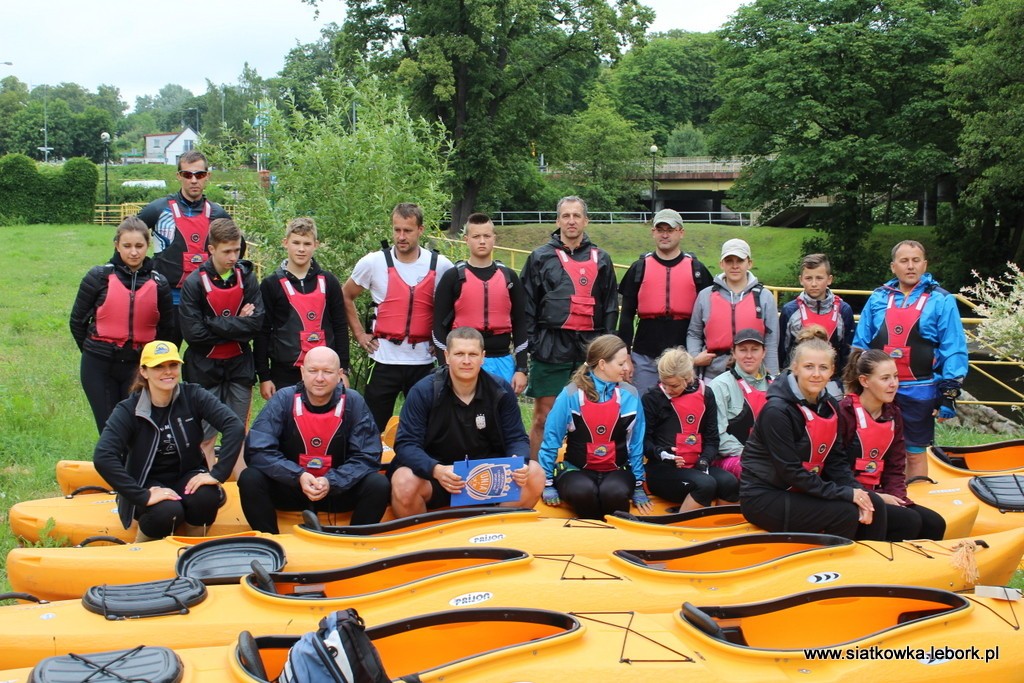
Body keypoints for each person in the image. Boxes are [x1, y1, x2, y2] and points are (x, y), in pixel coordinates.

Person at [739, 332, 887, 540]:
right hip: (764, 496)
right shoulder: (777, 411)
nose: (816, 374)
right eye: (809, 367)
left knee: (874, 503)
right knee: (845, 513)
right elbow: (790, 472)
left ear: (832, 371)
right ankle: (833, 559)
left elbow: (836, 461)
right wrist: (846, 494)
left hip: (801, 489)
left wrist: (857, 492)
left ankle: (870, 555)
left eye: (823, 368)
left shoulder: (830, 405)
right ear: (795, 368)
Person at [93, 341, 244, 541]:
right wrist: (142, 495)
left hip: (186, 476)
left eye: (173, 365)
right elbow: (103, 456)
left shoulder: (193, 395)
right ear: (144, 372)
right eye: (158, 367)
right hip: (145, 482)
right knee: (168, 511)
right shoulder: (128, 410)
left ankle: (192, 549)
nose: (167, 372)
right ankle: (140, 551)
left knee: (207, 496)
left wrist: (218, 473)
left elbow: (234, 425)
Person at [390, 327, 544, 517]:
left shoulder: (501, 390)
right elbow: (406, 444)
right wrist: (436, 470)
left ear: (483, 357)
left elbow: (517, 438)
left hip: (489, 478)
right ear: (447, 356)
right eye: (459, 354)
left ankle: (494, 530)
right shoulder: (423, 391)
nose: (466, 361)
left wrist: (518, 460)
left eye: (473, 354)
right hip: (439, 476)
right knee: (403, 480)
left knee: (534, 473)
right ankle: (425, 535)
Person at [239, 347, 390, 532]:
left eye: (327, 372)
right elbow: (257, 450)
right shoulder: (283, 399)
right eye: (313, 371)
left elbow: (368, 455)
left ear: (339, 375)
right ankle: (271, 540)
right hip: (291, 485)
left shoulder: (354, 402)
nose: (319, 378)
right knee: (250, 478)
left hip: (338, 489)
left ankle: (355, 539)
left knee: (378, 484)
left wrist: (332, 481)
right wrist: (298, 476)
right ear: (302, 372)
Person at [852, 240, 968, 480]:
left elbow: (953, 348)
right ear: (893, 266)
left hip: (920, 390)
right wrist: (854, 384)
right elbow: (860, 345)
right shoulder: (878, 297)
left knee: (914, 454)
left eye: (916, 260)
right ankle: (877, 496)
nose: (910, 266)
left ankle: (915, 499)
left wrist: (949, 394)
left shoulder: (941, 299)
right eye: (904, 261)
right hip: (878, 390)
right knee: (875, 449)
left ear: (925, 264)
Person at [520, 196, 618, 459]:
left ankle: (581, 471)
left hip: (590, 350)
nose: (571, 221)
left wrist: (608, 350)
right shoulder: (540, 257)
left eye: (576, 215)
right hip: (550, 347)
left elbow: (610, 307)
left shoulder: (602, 259)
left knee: (590, 416)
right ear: (558, 220)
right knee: (544, 417)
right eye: (566, 215)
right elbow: (526, 306)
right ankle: (537, 472)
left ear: (586, 220)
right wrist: (533, 344)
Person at [343, 203, 454, 431]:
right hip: (383, 359)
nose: (401, 237)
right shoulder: (373, 262)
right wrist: (360, 334)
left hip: (423, 361)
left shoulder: (440, 265)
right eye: (397, 230)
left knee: (425, 426)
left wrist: (443, 341)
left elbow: (456, 305)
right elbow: (345, 295)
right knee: (372, 427)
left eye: (408, 231)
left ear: (420, 230)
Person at [70, 217, 175, 433]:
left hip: (138, 367)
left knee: (137, 429)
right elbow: (77, 321)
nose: (133, 252)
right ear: (117, 245)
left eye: (139, 246)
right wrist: (93, 351)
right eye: (127, 246)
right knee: (110, 429)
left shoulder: (159, 284)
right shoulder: (98, 278)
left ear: (148, 245)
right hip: (99, 366)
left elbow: (167, 329)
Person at [179, 217, 264, 472]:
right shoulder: (194, 283)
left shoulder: (247, 278)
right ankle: (205, 483)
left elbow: (256, 324)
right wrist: (239, 324)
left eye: (237, 250)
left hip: (239, 366)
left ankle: (241, 487)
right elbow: (194, 334)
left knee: (238, 432)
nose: (233, 257)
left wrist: (213, 323)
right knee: (205, 436)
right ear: (211, 249)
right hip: (204, 367)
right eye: (227, 251)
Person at [538, 334, 651, 519]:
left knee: (613, 493)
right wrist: (547, 483)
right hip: (576, 470)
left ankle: (616, 531)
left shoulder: (630, 395)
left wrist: (638, 484)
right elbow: (551, 440)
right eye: (621, 363)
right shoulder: (571, 394)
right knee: (582, 491)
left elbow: (636, 443)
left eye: (626, 362)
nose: (627, 368)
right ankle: (591, 529)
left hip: (616, 471)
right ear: (602, 364)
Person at [838, 348, 946, 541]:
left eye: (895, 376)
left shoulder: (893, 413)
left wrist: (897, 498)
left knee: (935, 523)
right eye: (885, 378)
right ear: (864, 381)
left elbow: (895, 466)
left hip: (878, 492)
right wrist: (876, 498)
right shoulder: (844, 413)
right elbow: (836, 468)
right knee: (908, 521)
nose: (893, 384)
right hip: (849, 494)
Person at [137, 150, 231, 344]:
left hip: (205, 299)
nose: (194, 180)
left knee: (206, 356)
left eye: (200, 174)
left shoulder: (218, 213)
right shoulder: (158, 209)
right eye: (187, 174)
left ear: (208, 176)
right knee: (164, 356)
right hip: (168, 300)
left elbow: (236, 251)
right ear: (179, 176)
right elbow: (127, 238)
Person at [617, 209, 713, 395]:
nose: (665, 235)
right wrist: (625, 355)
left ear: (681, 232)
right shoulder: (639, 268)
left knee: (683, 405)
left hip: (684, 356)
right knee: (644, 403)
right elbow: (626, 316)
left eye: (670, 230)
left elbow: (709, 317)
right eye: (660, 230)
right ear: (653, 232)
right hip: (645, 354)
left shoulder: (697, 269)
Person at [255, 217, 350, 400]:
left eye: (307, 243)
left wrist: (343, 369)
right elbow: (262, 332)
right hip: (285, 372)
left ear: (316, 245)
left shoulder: (329, 281)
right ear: (285, 243)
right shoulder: (270, 284)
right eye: (296, 243)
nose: (301, 249)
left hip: (324, 373)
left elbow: (340, 326)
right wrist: (264, 376)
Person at [432, 213, 528, 393]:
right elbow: (438, 326)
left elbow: (521, 325)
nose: (482, 241)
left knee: (501, 409)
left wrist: (522, 368)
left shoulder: (509, 277)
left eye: (487, 236)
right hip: (463, 360)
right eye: (476, 236)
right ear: (466, 239)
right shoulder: (452, 277)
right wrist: (445, 366)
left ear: (494, 238)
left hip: (501, 360)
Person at [643, 347, 737, 511]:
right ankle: (679, 523)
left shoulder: (706, 394)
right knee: (705, 485)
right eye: (664, 383)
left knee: (730, 483)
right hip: (662, 469)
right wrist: (662, 453)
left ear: (687, 378)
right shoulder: (652, 398)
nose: (668, 390)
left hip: (695, 466)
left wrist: (704, 460)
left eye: (673, 385)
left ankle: (717, 524)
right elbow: (644, 442)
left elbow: (712, 439)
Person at [687, 238, 779, 382]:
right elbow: (694, 333)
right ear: (721, 264)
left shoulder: (765, 297)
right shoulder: (705, 295)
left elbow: (771, 341)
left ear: (749, 263)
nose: (735, 266)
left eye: (740, 261)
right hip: (712, 374)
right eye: (729, 261)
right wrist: (695, 357)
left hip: (753, 375)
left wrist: (772, 377)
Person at [779, 253, 855, 397]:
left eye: (819, 278)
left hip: (833, 383)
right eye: (809, 278)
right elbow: (783, 351)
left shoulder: (843, 310)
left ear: (829, 279)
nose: (814, 284)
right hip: (797, 383)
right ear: (801, 280)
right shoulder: (790, 310)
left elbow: (847, 352)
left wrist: (846, 385)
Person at [708, 328, 774, 478]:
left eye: (755, 350)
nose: (749, 356)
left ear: (764, 352)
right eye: (743, 350)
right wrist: (750, 454)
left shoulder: (777, 385)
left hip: (768, 457)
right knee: (757, 470)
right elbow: (717, 435)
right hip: (730, 457)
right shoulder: (719, 386)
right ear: (734, 352)